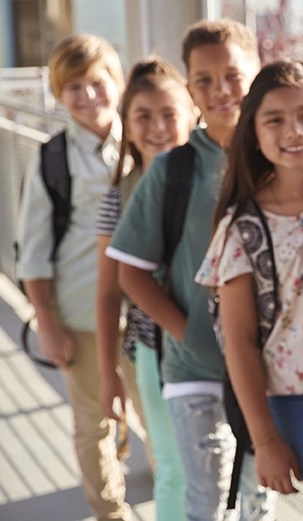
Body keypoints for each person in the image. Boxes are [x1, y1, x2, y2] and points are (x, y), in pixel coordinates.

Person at [107, 19, 275, 520]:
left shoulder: (282, 154)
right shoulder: (173, 167)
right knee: (206, 499)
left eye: (233, 75)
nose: (220, 90)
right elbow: (129, 273)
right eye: (203, 79)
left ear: (257, 72)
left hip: (270, 365)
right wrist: (191, 335)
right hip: (195, 368)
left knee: (258, 497)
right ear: (190, 87)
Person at [196, 59, 303, 519]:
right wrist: (266, 439)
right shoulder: (243, 226)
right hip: (301, 400)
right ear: (252, 132)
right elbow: (240, 342)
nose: (295, 130)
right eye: (275, 119)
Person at [16, 34, 145, 520]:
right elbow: (33, 250)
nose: (88, 96)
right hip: (80, 310)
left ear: (118, 82)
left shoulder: (145, 137)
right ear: (57, 93)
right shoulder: (53, 159)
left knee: (151, 409)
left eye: (98, 82)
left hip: (144, 308)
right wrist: (45, 320)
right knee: (92, 421)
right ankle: (110, 513)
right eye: (74, 87)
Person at [95, 57, 198, 521]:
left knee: (236, 465)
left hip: (225, 344)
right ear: (127, 126)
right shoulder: (118, 195)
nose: (158, 127)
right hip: (153, 351)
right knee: (173, 467)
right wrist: (107, 373)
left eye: (169, 114)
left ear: (192, 115)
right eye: (143, 116)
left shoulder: (221, 177)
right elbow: (108, 292)